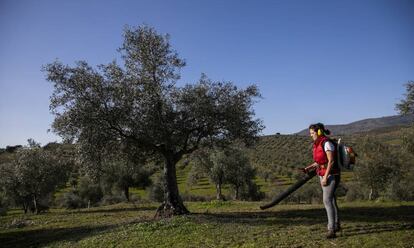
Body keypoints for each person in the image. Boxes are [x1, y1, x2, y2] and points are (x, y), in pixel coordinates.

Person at [302, 123, 341, 239]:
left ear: (319, 132)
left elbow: (331, 161)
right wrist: (308, 168)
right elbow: (320, 161)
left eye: (312, 133)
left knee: (327, 201)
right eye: (310, 133)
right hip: (323, 174)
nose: (311, 135)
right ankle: (336, 224)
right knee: (332, 200)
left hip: (331, 175)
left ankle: (331, 230)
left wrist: (325, 177)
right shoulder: (318, 143)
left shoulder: (326, 143)